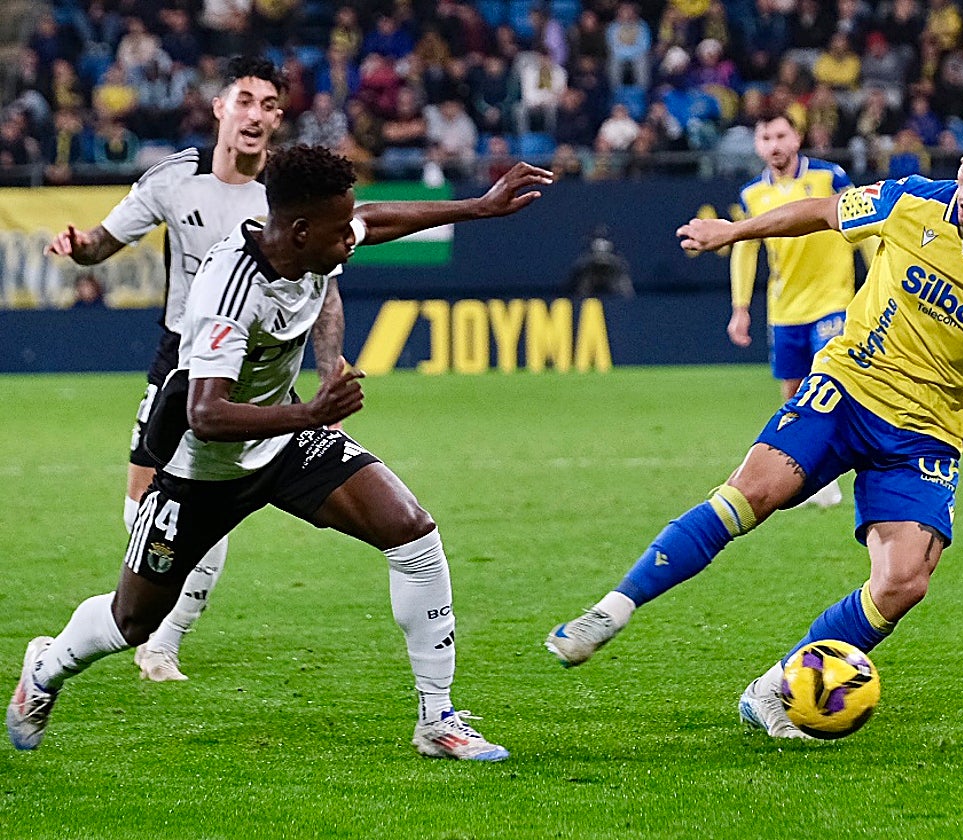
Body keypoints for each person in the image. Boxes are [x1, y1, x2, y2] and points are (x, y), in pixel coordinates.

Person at [546, 114, 963, 740]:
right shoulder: (911, 200)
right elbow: (823, 211)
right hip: (848, 387)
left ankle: (773, 689)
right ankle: (611, 611)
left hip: (925, 437)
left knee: (904, 583)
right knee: (751, 494)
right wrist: (735, 232)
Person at [8, 145, 555, 758]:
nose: (351, 239)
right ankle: (46, 667)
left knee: (412, 532)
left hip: (287, 441)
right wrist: (310, 411)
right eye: (337, 232)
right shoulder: (228, 289)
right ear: (297, 232)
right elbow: (205, 415)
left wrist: (479, 207)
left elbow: (370, 223)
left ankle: (437, 719)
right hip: (202, 469)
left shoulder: (314, 241)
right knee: (132, 621)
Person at [42, 56, 303, 683]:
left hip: (253, 368)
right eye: (245, 100)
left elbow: (326, 279)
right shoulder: (173, 181)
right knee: (144, 496)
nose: (257, 115)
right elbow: (104, 242)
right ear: (219, 108)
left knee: (211, 503)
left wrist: (330, 357)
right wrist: (80, 249)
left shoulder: (287, 195)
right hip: (182, 360)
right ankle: (143, 607)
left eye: (270, 106)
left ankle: (165, 639)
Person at [728, 111, 855, 509]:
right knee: (793, 396)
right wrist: (740, 307)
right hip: (785, 309)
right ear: (757, 145)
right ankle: (805, 475)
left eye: (781, 135)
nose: (775, 145)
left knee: (828, 384)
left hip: (833, 300)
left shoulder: (829, 177)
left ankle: (831, 470)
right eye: (766, 138)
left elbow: (863, 227)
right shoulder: (752, 195)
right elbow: (745, 251)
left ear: (797, 138)